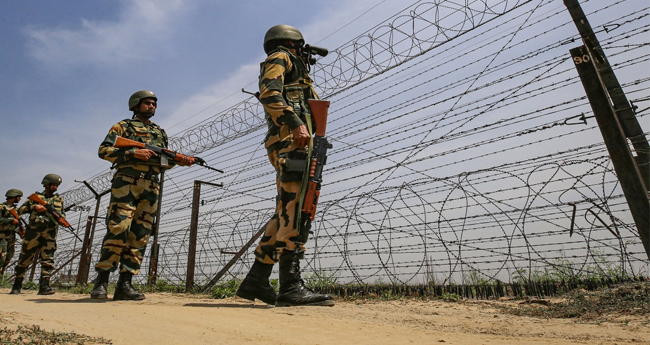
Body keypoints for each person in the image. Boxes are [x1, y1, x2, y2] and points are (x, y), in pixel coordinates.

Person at [235, 25, 334, 307]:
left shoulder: (294, 66)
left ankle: (257, 279)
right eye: (302, 47)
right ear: (293, 44)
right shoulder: (281, 57)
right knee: (297, 208)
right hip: (291, 139)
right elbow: (269, 93)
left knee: (286, 210)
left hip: (296, 139)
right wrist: (296, 123)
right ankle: (290, 286)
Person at [90, 90, 194, 301]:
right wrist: (131, 153)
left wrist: (179, 160)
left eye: (154, 104)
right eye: (147, 103)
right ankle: (101, 282)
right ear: (136, 105)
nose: (151, 106)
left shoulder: (159, 132)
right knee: (119, 228)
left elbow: (161, 161)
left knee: (141, 233)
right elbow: (104, 150)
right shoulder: (123, 127)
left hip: (151, 185)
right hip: (127, 182)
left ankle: (125, 284)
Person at [10, 174, 66, 295]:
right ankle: (17, 285)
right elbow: (20, 210)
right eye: (53, 184)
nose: (55, 187)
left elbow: (62, 213)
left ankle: (44, 286)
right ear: (46, 184)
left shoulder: (59, 199)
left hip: (50, 232)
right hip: (34, 231)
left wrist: (62, 220)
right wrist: (34, 206)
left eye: (57, 185)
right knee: (25, 257)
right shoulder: (36, 197)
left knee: (48, 259)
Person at [0, 189, 24, 277]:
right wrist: (10, 220)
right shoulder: (2, 207)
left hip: (11, 236)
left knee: (8, 257)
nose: (20, 199)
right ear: (13, 197)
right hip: (2, 235)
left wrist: (21, 232)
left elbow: (17, 225)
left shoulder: (15, 209)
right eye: (19, 197)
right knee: (1, 257)